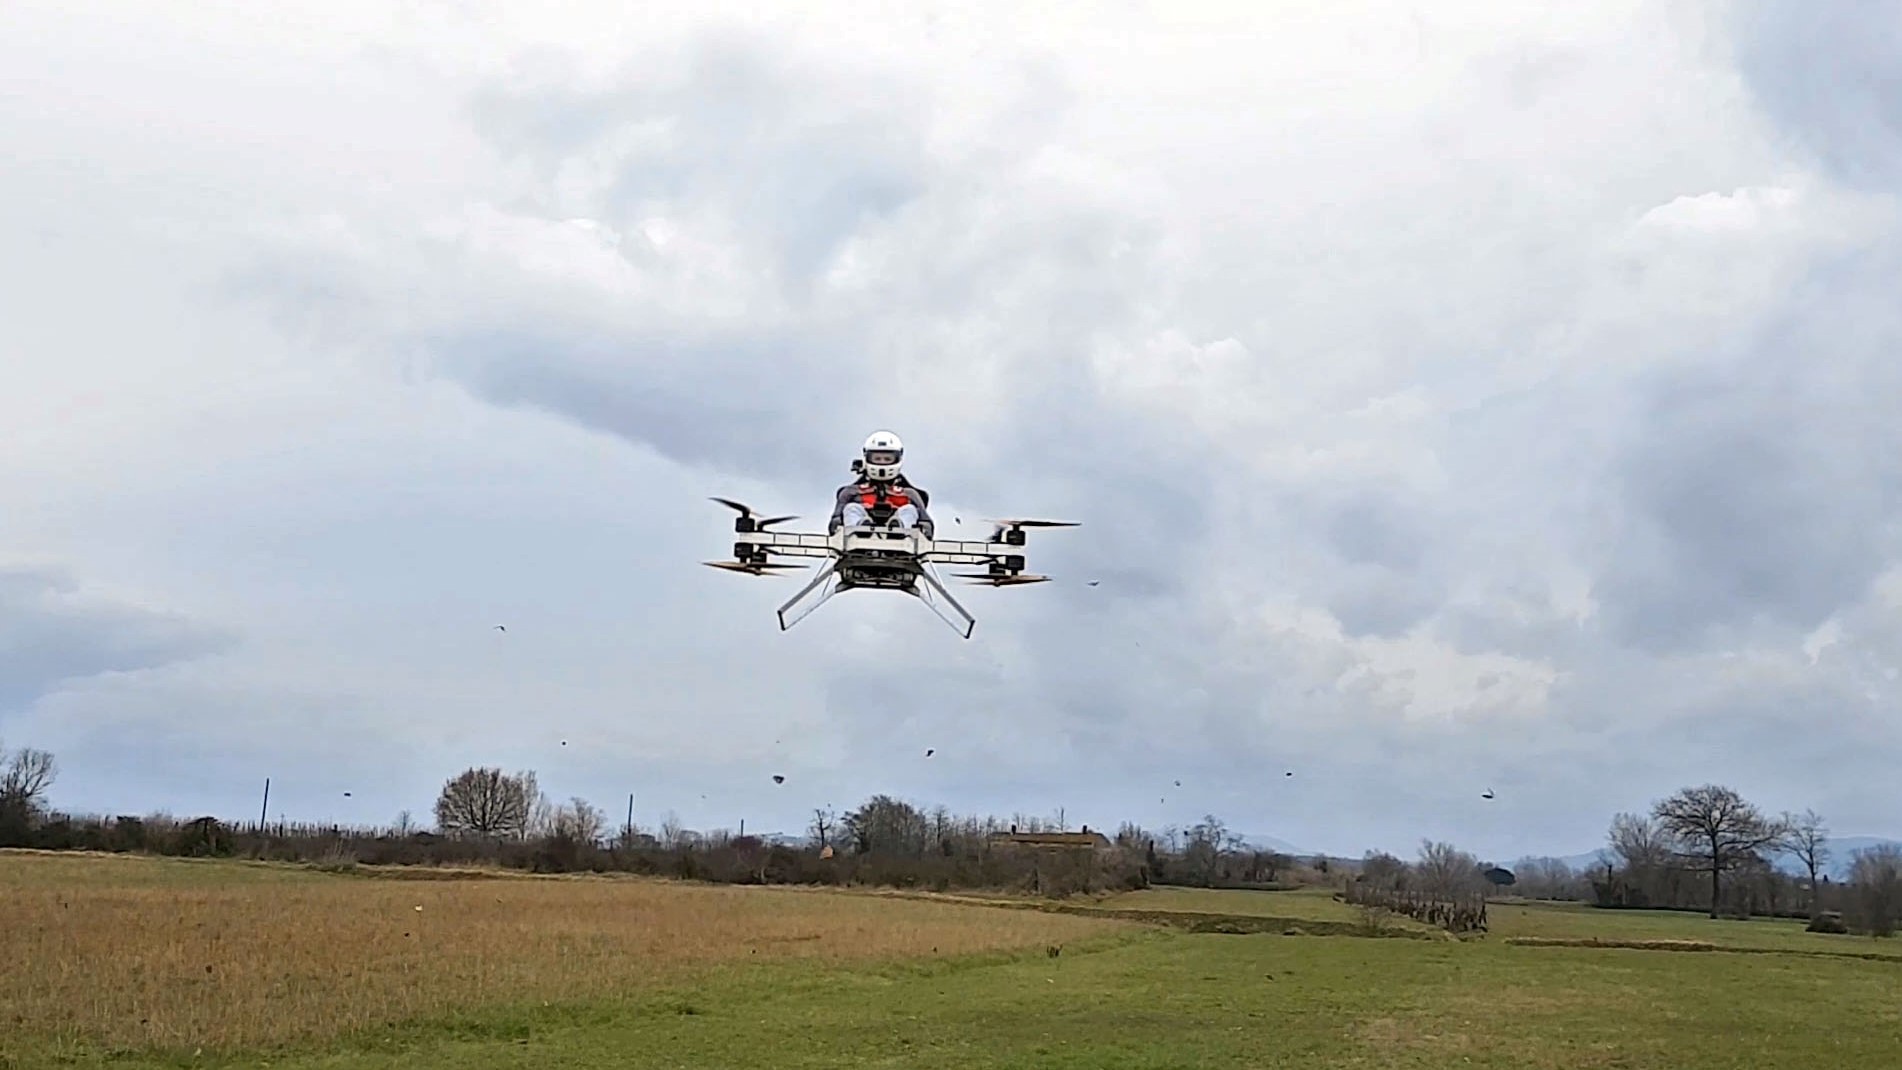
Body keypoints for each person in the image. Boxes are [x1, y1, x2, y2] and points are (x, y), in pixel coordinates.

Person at [830, 430, 934, 537]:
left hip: (903, 540)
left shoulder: (910, 494)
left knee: (910, 510)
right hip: (858, 537)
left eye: (887, 459)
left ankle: (898, 530)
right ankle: (860, 528)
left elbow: (926, 522)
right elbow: (835, 521)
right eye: (877, 458)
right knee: (851, 508)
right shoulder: (851, 492)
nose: (882, 462)